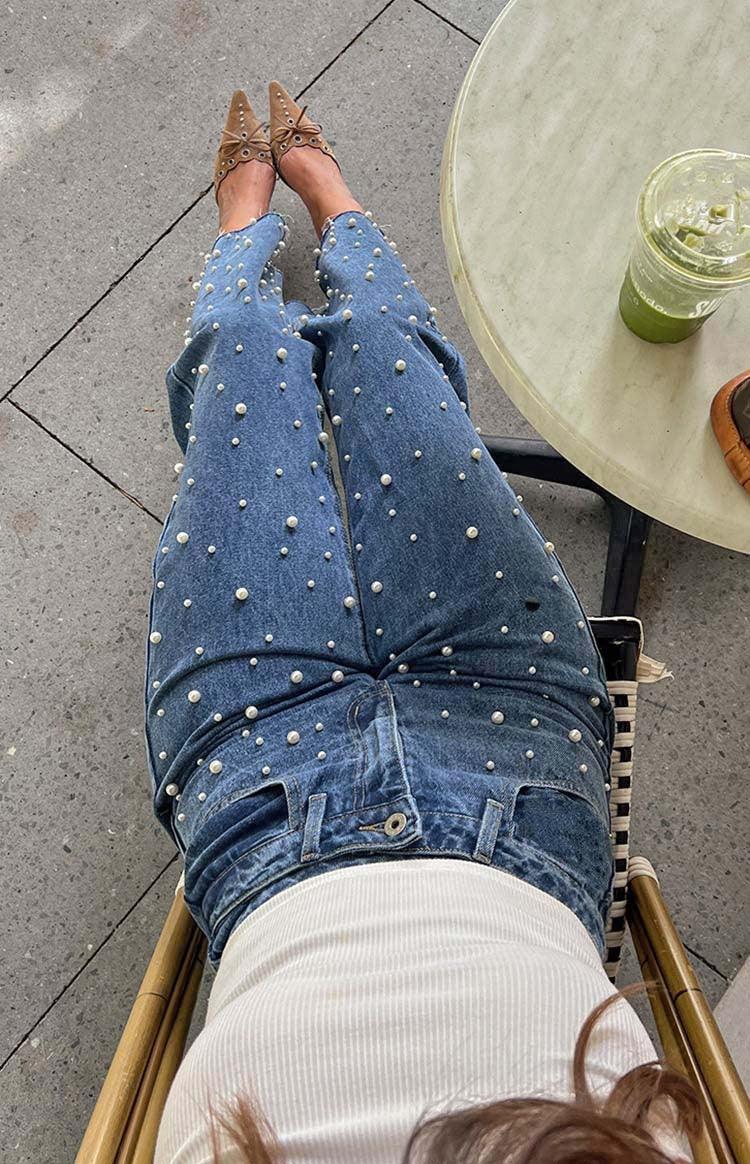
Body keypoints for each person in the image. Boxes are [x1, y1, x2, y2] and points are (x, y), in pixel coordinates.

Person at [146, 86, 699, 1163]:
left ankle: (245, 236)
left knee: (240, 378)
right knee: (405, 387)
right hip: (521, 779)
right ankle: (339, 209)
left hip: (265, 809)